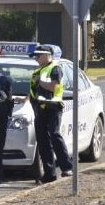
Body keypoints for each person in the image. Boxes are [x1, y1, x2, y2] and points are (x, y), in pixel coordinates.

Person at [29, 44, 73, 184]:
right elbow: (33, 90)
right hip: (40, 109)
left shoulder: (55, 68)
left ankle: (66, 167)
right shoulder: (38, 71)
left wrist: (40, 82)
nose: (36, 59)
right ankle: (49, 174)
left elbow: (54, 87)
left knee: (54, 135)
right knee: (42, 141)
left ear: (46, 56)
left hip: (53, 107)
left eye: (38, 56)